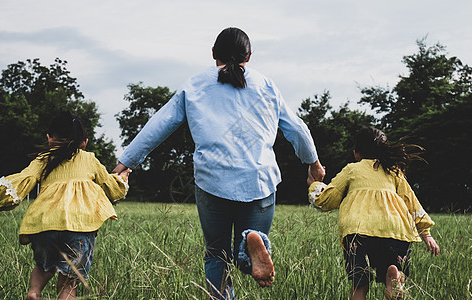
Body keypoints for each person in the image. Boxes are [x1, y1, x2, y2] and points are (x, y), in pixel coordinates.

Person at [113, 27, 325, 299]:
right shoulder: (267, 86)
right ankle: (252, 245)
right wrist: (313, 164)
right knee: (245, 254)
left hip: (212, 180)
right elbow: (297, 129)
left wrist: (127, 162)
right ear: (249, 56)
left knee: (216, 254)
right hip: (259, 180)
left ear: (213, 53)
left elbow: (160, 124)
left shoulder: (195, 85)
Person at [0, 111, 130, 300]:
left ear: (49, 138)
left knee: (42, 267)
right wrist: (122, 178)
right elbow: (112, 189)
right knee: (69, 282)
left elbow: (21, 183)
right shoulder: (90, 159)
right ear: (84, 142)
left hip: (45, 226)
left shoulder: (42, 159)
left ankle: (34, 292)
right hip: (79, 228)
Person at [308, 126, 440, 300]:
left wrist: (315, 183)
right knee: (397, 268)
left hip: (358, 231)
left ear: (356, 153)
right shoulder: (394, 172)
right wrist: (425, 232)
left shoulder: (352, 169)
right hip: (395, 229)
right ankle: (395, 278)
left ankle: (384, 279)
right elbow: (411, 201)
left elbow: (327, 200)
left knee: (359, 283)